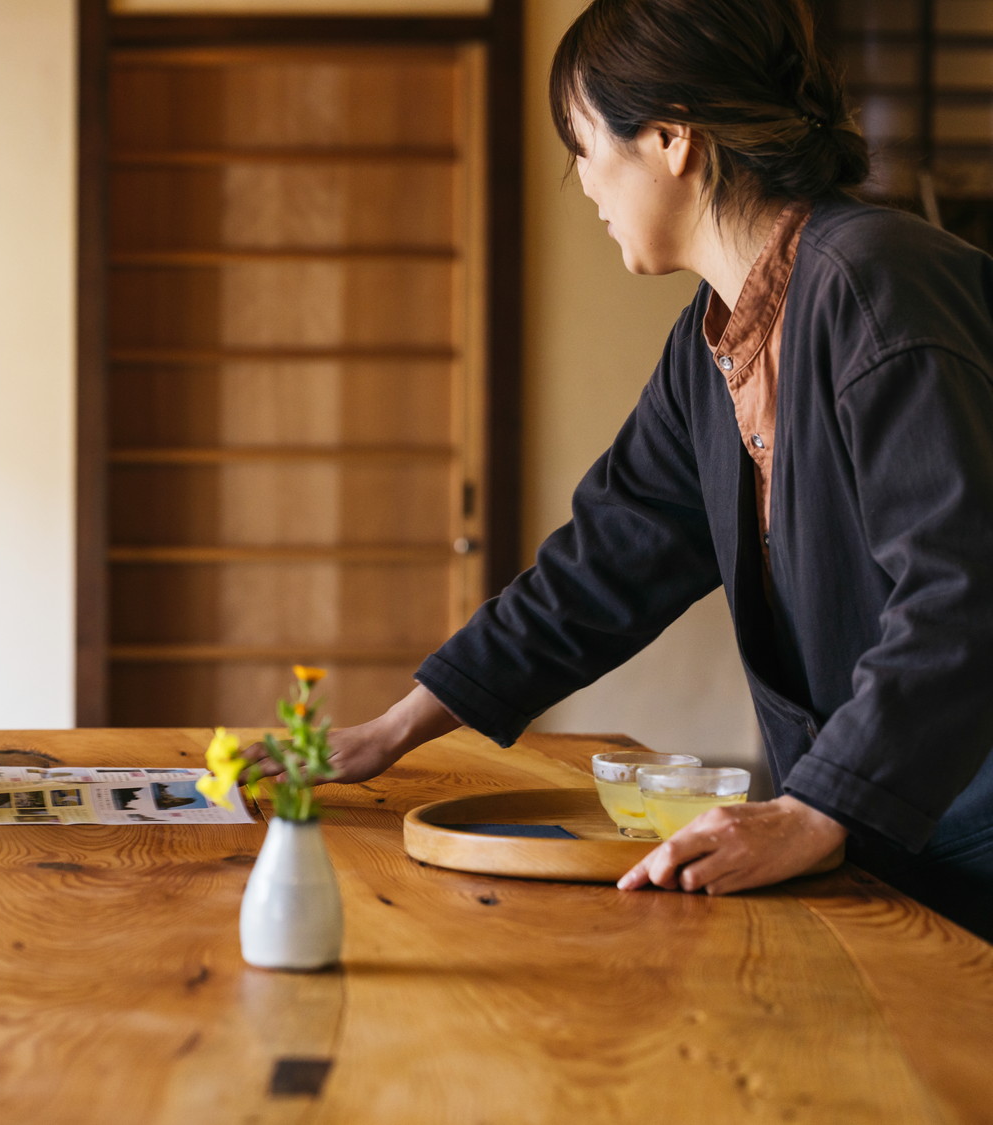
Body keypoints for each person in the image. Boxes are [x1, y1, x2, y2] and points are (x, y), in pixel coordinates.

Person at [266, 0, 993, 938]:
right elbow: (607, 560)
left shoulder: (875, 280)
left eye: (583, 145)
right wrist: (392, 731)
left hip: (966, 818)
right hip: (891, 826)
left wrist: (819, 809)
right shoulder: (712, 344)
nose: (583, 182)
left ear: (669, 138)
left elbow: (964, 589)